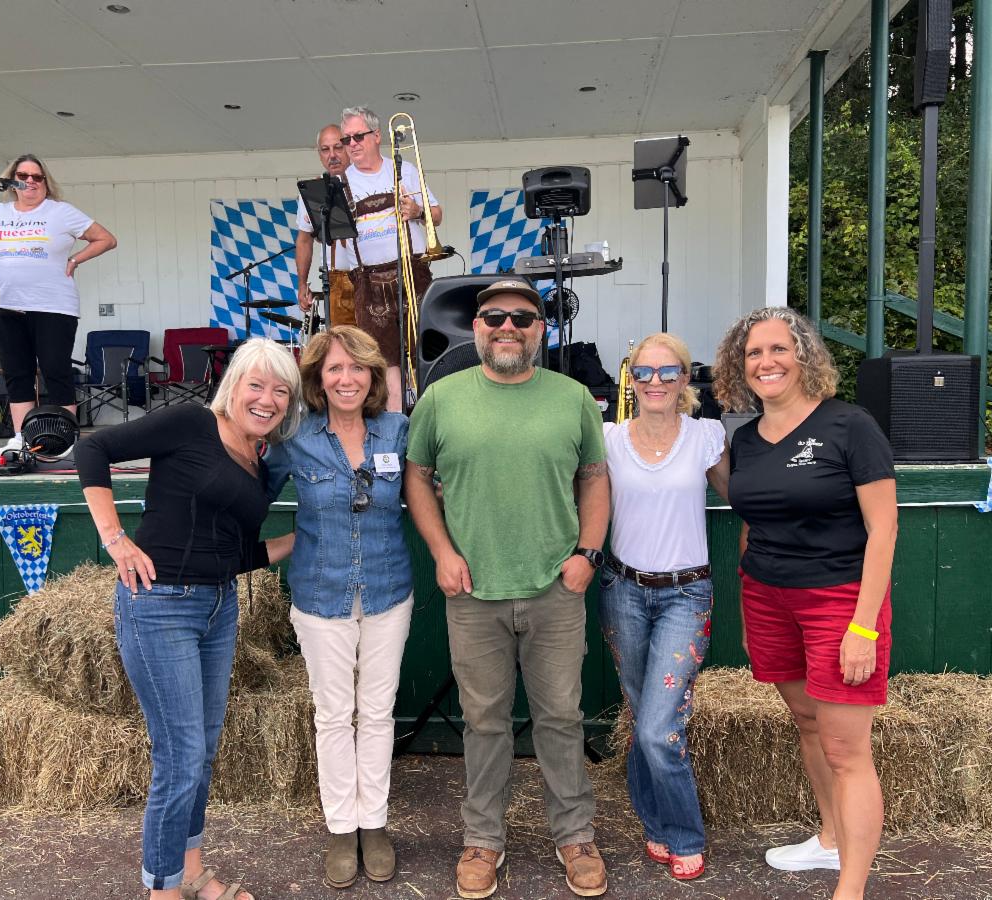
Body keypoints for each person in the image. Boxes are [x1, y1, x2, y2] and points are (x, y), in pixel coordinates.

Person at [404, 279, 609, 899]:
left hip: (555, 588)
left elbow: (594, 479)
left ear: (541, 329)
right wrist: (442, 552)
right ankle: (482, 839)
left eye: (522, 317)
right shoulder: (441, 398)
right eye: (494, 317)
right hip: (473, 592)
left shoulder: (573, 398)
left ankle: (575, 835)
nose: (507, 327)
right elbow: (417, 477)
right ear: (477, 327)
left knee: (561, 719)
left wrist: (587, 555)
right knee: (484, 722)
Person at [76, 338, 302, 900]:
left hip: (219, 606)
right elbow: (93, 449)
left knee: (200, 750)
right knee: (179, 758)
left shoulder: (258, 461)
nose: (267, 399)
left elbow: (236, 553)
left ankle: (192, 872)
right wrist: (115, 539)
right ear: (233, 386)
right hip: (160, 606)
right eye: (256, 385)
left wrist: (302, 541)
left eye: (281, 391)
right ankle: (162, 890)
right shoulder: (191, 424)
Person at [712, 306, 897, 900]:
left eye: (778, 349)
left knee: (846, 749)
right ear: (740, 367)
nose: (766, 362)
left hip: (838, 599)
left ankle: (851, 890)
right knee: (808, 722)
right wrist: (751, 615)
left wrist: (863, 629)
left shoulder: (850, 425)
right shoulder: (745, 439)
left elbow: (884, 529)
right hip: (767, 598)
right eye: (753, 353)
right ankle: (830, 839)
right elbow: (751, 526)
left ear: (803, 356)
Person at [281, 325, 412, 889]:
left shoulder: (399, 430)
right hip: (320, 594)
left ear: (373, 375)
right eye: (334, 368)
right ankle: (341, 828)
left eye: (357, 367)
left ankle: (373, 823)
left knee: (378, 712)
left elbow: (428, 490)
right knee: (333, 714)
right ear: (318, 378)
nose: (346, 378)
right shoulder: (295, 437)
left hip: (388, 588)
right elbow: (246, 490)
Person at [598, 332, 729, 881]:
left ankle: (684, 834)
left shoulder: (706, 436)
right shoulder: (608, 438)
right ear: (630, 379)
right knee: (641, 716)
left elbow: (742, 497)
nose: (655, 381)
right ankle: (653, 823)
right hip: (623, 590)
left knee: (658, 728)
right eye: (644, 371)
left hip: (686, 593)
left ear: (685, 378)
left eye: (667, 371)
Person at [0, 154, 116, 452]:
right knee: (17, 372)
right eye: (23, 176)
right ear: (12, 180)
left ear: (45, 182)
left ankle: (65, 439)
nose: (30, 181)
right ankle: (22, 438)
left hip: (53, 305)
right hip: (7, 303)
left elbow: (106, 239)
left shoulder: (61, 212)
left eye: (37, 177)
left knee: (55, 370)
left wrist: (75, 260)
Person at [341, 105, 443, 412]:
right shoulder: (340, 183)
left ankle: (432, 418)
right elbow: (328, 235)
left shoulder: (404, 170)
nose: (352, 144)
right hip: (368, 281)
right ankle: (397, 425)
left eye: (358, 136)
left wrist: (418, 211)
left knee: (427, 350)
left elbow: (437, 215)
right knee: (384, 361)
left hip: (413, 270)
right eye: (347, 139)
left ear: (376, 136)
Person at [295, 125, 357, 328]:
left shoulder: (365, 181)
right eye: (325, 149)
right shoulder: (313, 190)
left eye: (338, 147)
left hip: (370, 277)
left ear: (348, 147)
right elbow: (304, 240)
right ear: (319, 154)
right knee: (341, 341)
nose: (332, 155)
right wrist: (302, 284)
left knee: (374, 344)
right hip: (336, 279)